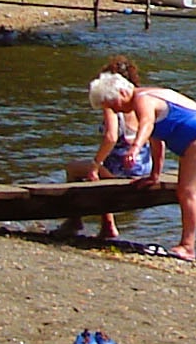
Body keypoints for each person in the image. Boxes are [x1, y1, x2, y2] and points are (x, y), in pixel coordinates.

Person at [85, 66, 196, 262]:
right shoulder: (148, 97)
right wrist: (155, 174)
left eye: (114, 105)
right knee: (194, 193)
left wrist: (135, 148)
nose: (115, 110)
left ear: (122, 92)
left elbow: (147, 124)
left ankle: (188, 247)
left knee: (187, 192)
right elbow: (157, 141)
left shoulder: (143, 99)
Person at [59, 56, 149, 239]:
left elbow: (111, 137)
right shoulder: (142, 102)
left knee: (74, 169)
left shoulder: (112, 103)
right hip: (144, 167)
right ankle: (105, 225)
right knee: (101, 169)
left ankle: (78, 220)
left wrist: (95, 162)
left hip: (123, 170)